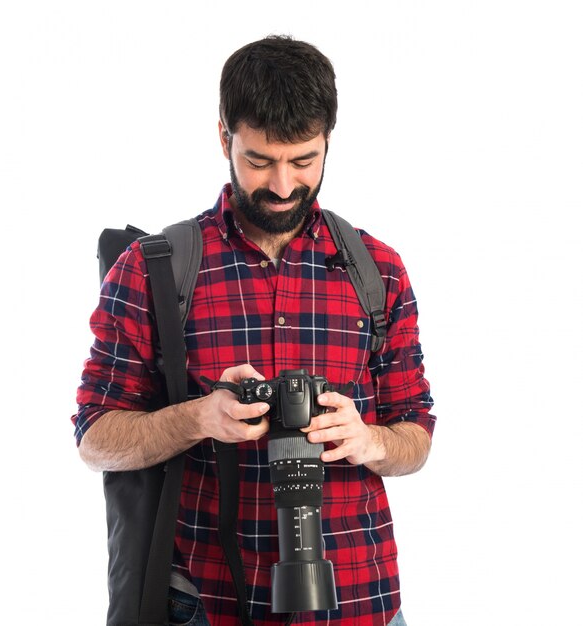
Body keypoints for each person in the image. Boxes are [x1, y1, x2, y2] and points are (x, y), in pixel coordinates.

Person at [73, 35, 435, 626]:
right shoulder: (153, 269)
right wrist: (199, 417)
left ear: (327, 143)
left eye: (304, 160)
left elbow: (415, 434)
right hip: (208, 602)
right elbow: (94, 438)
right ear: (224, 138)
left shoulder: (379, 270)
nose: (284, 186)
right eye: (260, 161)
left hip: (359, 601)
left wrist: (369, 440)